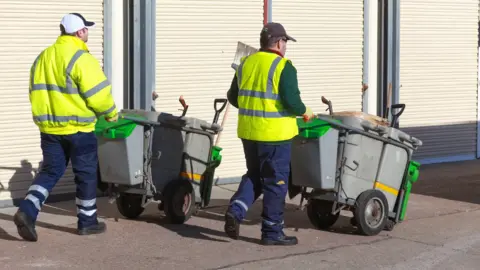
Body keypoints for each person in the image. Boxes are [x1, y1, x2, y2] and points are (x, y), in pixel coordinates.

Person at [13, 13, 118, 242]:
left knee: (50, 171)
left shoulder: (43, 57)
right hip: (79, 130)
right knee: (85, 175)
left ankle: (27, 211)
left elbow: (34, 92)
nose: (87, 33)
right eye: (86, 29)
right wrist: (110, 114)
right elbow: (99, 95)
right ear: (79, 32)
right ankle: (87, 222)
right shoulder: (81, 57)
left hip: (50, 131)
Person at [224, 22, 314, 246]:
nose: (286, 46)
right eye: (285, 42)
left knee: (254, 175)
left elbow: (233, 97)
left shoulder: (246, 63)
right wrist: (305, 112)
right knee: (276, 182)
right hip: (275, 137)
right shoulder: (284, 67)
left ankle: (236, 210)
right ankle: (272, 233)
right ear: (279, 42)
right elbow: (293, 102)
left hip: (248, 133)